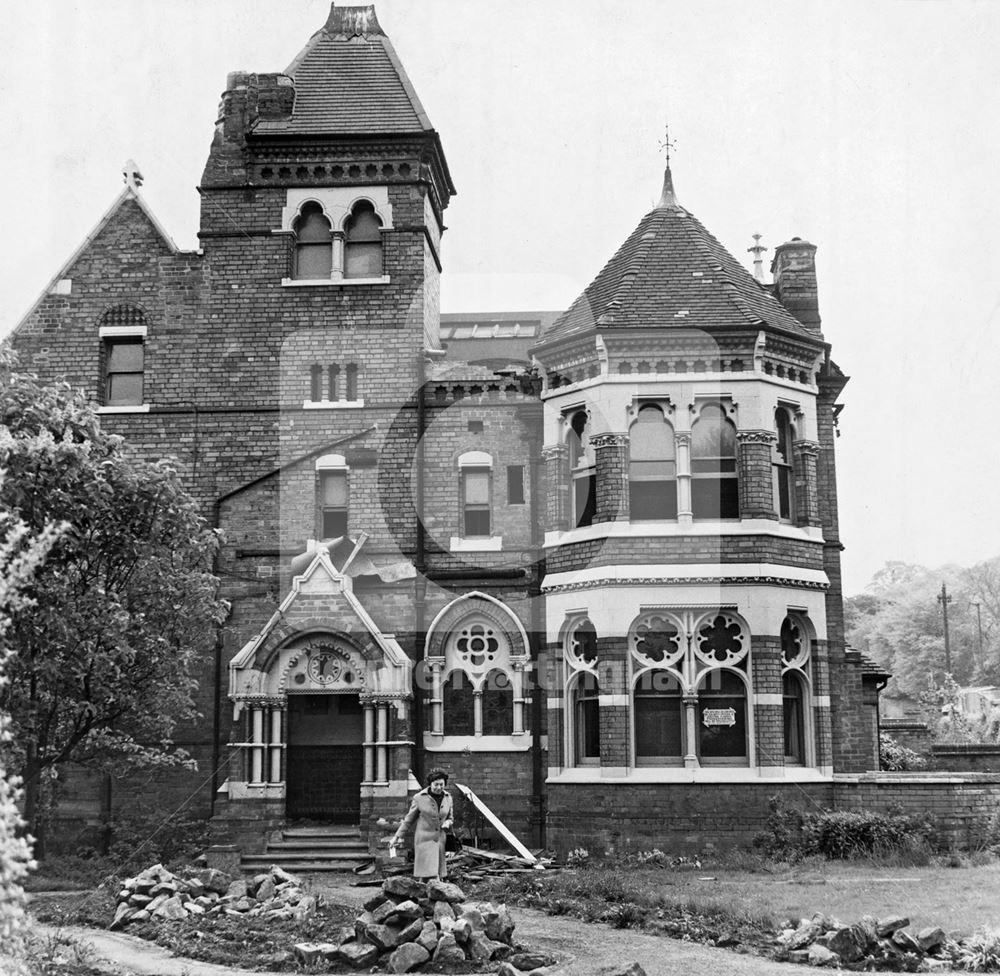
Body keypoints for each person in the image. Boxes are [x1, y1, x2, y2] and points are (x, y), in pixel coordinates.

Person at [390, 768, 454, 880]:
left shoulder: (448, 798)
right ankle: (430, 891)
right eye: (436, 784)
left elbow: (450, 817)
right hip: (424, 840)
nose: (439, 788)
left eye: (442, 784)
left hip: (440, 840)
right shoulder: (419, 798)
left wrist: (448, 822)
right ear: (430, 784)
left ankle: (432, 893)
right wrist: (396, 837)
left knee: (437, 872)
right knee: (427, 873)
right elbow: (408, 820)